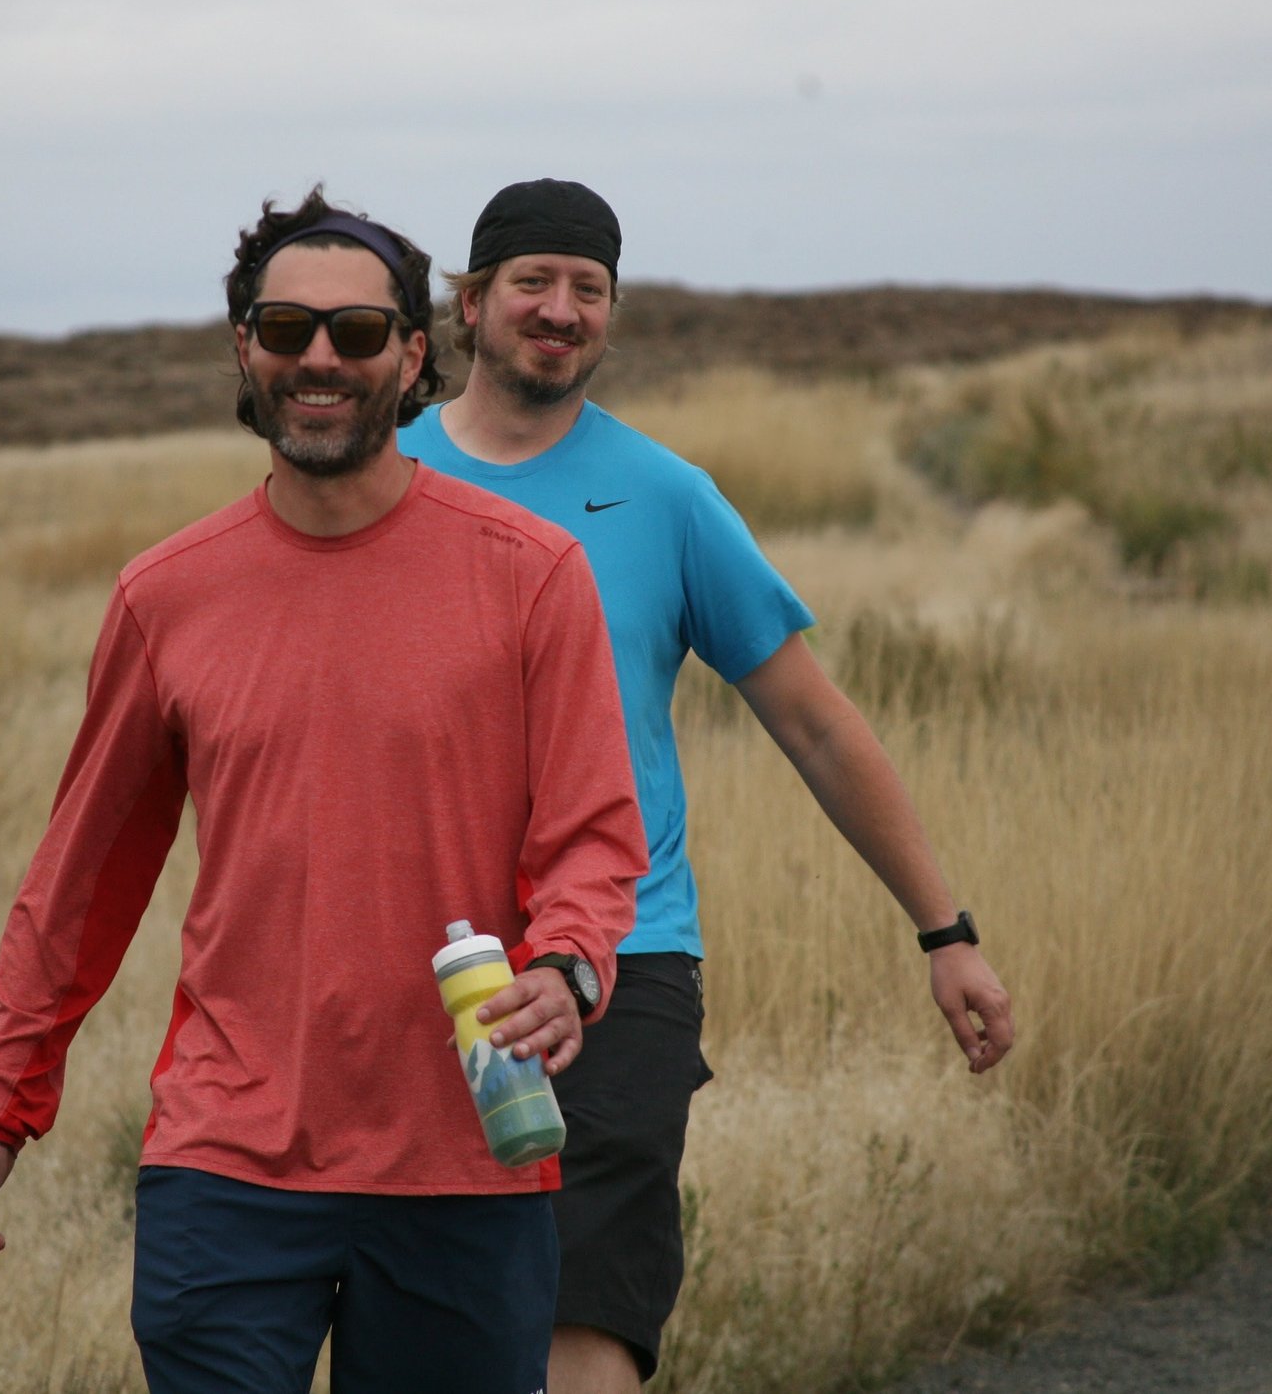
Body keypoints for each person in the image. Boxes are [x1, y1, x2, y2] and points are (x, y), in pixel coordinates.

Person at [0, 188, 650, 1394]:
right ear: (243, 349)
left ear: (415, 355)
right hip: (227, 1162)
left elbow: (591, 833)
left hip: (467, 1154)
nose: (320, 358)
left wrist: (567, 965)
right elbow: (80, 881)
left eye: (358, 333)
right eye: (285, 327)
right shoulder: (169, 594)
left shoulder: (529, 575)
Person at [401, 179, 1018, 1392]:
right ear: (469, 304)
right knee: (431, 1324)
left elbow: (815, 723)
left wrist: (945, 930)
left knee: (583, 1320)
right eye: (532, 281)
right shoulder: (382, 477)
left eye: (589, 289)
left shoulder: (667, 496)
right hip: (413, 958)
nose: (561, 310)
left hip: (625, 965)